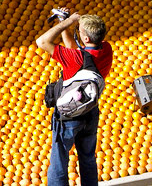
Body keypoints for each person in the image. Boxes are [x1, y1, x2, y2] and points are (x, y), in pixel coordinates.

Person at [36, 12, 113, 186]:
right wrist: (66, 22)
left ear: (85, 38)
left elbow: (42, 42)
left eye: (79, 30)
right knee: (87, 158)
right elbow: (74, 48)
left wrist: (68, 22)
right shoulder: (106, 49)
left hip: (69, 117)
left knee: (59, 161)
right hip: (90, 112)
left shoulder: (75, 59)